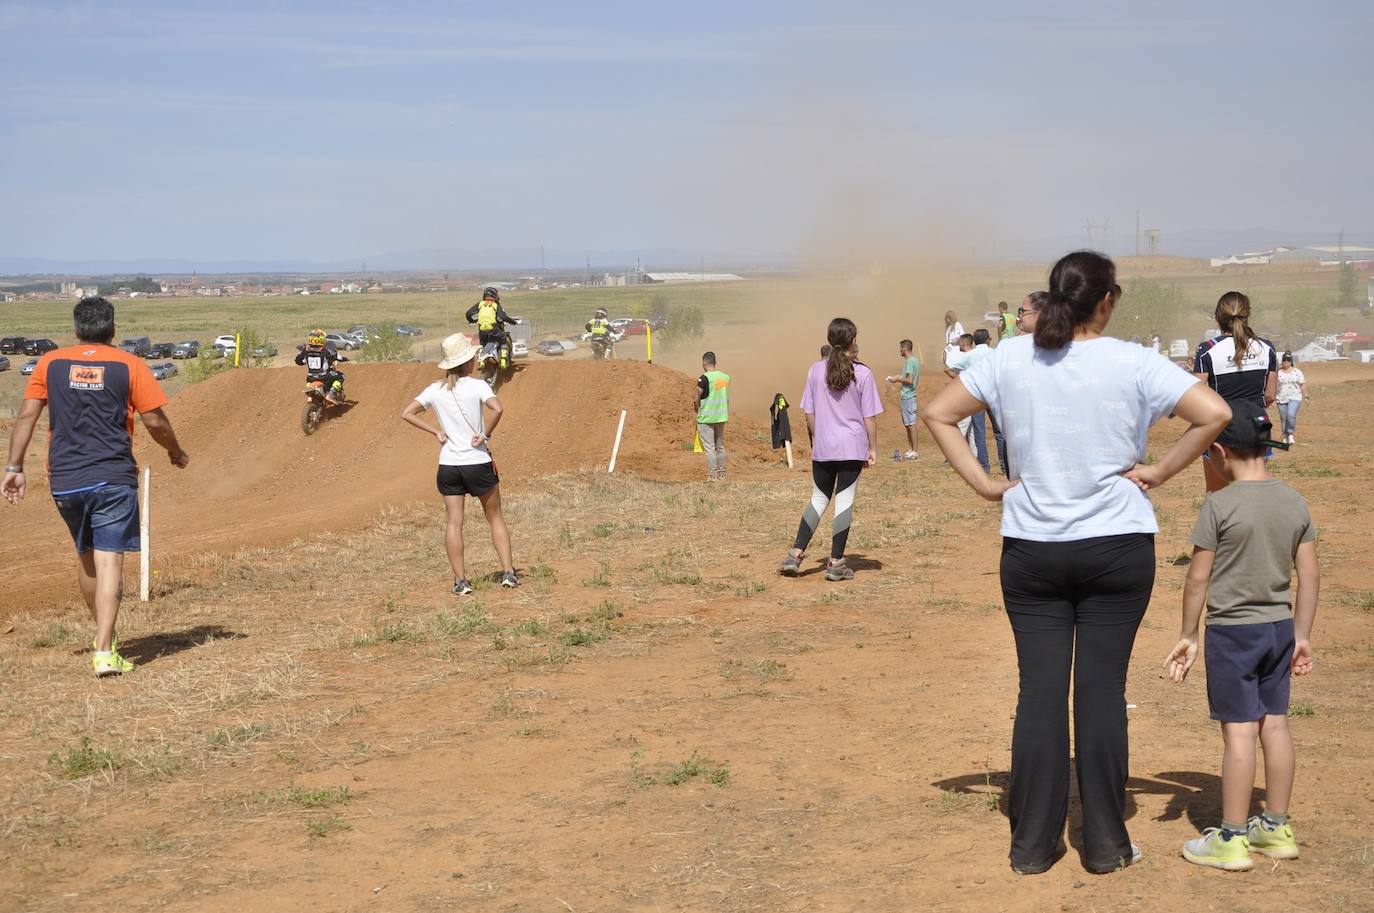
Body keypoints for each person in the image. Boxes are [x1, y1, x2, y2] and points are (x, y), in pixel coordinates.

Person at [923, 250, 1230, 875]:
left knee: (1038, 692)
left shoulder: (1009, 356)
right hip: (1117, 547)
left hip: (1033, 550)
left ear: (1054, 297)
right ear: (1108, 300)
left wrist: (986, 484)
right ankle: (1106, 843)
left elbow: (938, 413)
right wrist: (1159, 472)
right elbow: (1216, 415)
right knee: (1100, 694)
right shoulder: (1136, 362)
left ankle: (1032, 846)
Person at [2, 296, 190, 677]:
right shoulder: (130, 364)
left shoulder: (50, 363)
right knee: (109, 561)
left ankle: (106, 637)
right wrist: (175, 451)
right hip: (112, 476)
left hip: (66, 480)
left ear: (75, 330)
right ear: (113, 329)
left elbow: (26, 415)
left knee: (87, 555)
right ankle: (104, 649)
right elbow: (154, 422)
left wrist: (14, 466)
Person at [1165, 406, 1316, 871]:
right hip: (1278, 630)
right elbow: (1308, 577)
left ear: (1219, 450)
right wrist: (1302, 636)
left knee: (1239, 732)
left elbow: (1196, 580)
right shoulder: (1294, 501)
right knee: (1276, 724)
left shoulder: (1219, 504)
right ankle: (1275, 827)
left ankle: (1230, 838)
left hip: (1233, 633)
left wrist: (1189, 632)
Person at [401, 333, 518, 595]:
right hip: (477, 460)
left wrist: (435, 432)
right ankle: (508, 573)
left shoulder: (435, 389)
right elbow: (497, 409)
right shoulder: (478, 386)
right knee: (495, 518)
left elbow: (406, 413)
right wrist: (485, 434)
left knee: (454, 522)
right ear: (467, 362)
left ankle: (460, 581)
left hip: (449, 465)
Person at [778, 318, 882, 582]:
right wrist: (872, 448)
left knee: (819, 498)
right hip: (851, 447)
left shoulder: (815, 370)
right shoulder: (863, 373)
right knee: (843, 501)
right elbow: (869, 417)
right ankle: (836, 563)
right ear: (851, 342)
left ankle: (795, 555)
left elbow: (809, 412)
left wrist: (819, 436)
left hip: (824, 447)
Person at [1194, 291, 1277, 492]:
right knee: (1256, 492)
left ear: (1218, 317)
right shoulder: (1267, 348)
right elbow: (1270, 395)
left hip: (1222, 426)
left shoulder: (1207, 350)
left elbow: (1196, 395)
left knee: (1216, 495)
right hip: (1259, 424)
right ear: (1247, 315)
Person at [943, 333, 979, 460]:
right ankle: (975, 455)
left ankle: (953, 456)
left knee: (962, 426)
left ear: (963, 343)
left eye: (960, 343)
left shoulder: (966, 357)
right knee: (972, 431)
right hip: (977, 397)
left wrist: (957, 379)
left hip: (966, 397)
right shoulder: (976, 355)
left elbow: (948, 369)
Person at [694, 351, 730, 481]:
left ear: (704, 363)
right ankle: (722, 474)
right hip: (720, 417)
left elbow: (696, 397)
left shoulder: (704, 378)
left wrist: (696, 410)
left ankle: (713, 476)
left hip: (706, 418)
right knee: (720, 447)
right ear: (715, 362)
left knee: (710, 448)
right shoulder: (725, 377)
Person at [884, 339, 920, 460]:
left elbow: (909, 380)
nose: (899, 350)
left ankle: (914, 451)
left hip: (909, 396)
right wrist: (899, 377)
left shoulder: (910, 361)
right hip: (908, 396)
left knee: (911, 424)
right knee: (908, 424)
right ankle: (910, 449)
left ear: (904, 348)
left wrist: (897, 379)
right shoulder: (914, 360)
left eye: (900, 348)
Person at [295, 327, 347, 404]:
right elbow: (335, 357)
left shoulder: (306, 350)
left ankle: (310, 397)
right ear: (321, 339)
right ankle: (330, 394)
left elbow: (298, 361)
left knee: (309, 380)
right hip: (324, 377)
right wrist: (344, 359)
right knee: (341, 376)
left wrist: (304, 362)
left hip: (310, 377)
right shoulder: (324, 351)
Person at [1275, 353, 1309, 445]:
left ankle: (1290, 433)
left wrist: (1306, 396)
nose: (1286, 362)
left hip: (1295, 397)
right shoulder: (1278, 372)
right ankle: (1285, 435)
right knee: (1283, 418)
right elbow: (1274, 385)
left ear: (1291, 361)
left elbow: (1302, 384)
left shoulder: (1297, 372)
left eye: (1288, 360)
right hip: (1281, 397)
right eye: (1285, 360)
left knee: (1291, 414)